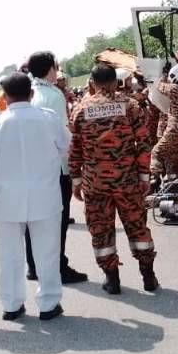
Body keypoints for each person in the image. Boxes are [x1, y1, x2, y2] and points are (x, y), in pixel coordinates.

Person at [0, 73, 71, 320]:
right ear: (32, 93)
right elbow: (67, 149)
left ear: (4, 96)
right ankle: (48, 305)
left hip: (6, 200)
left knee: (8, 255)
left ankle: (12, 305)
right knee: (47, 252)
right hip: (45, 198)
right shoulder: (49, 119)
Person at [69, 63, 158, 295]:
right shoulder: (130, 106)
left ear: (92, 83)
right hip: (128, 181)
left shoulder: (80, 108)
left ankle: (112, 279)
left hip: (95, 184)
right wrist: (144, 174)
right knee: (138, 226)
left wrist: (76, 180)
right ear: (114, 82)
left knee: (101, 230)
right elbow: (144, 142)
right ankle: (148, 275)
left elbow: (75, 148)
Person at [25, 51, 88, 284]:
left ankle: (33, 266)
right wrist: (71, 171)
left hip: (31, 169)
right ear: (50, 69)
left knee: (33, 221)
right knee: (58, 222)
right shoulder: (54, 96)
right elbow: (63, 137)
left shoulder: (28, 92)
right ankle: (58, 266)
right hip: (54, 170)